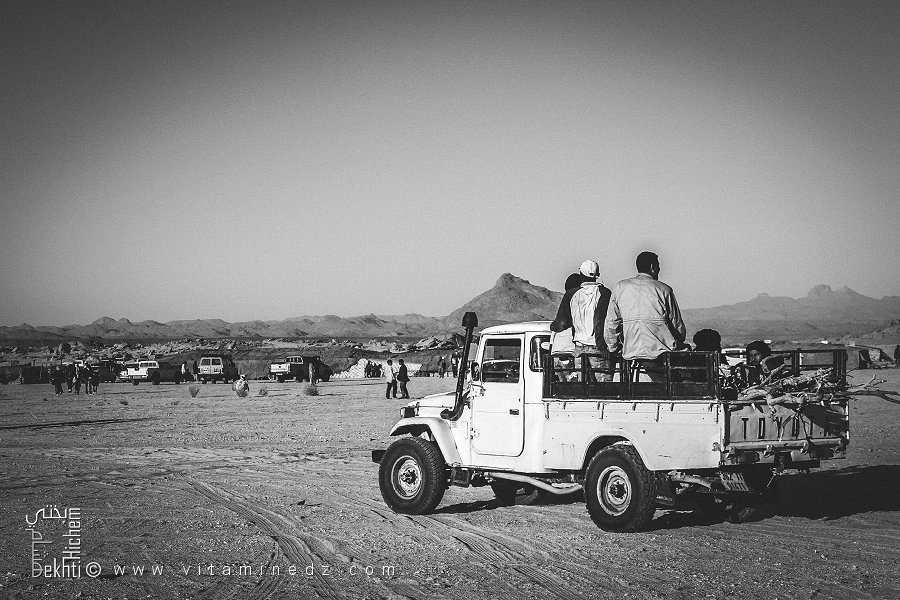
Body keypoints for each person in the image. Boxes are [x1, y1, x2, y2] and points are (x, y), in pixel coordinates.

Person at [604, 251, 686, 382]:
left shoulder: (620, 287)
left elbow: (611, 324)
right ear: (653, 267)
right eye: (658, 266)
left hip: (630, 355)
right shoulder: (664, 289)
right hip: (660, 356)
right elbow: (678, 328)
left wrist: (613, 348)